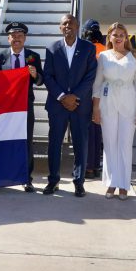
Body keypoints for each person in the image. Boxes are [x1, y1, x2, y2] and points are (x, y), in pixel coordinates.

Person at [43, 14, 97, 197]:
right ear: (60, 28)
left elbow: (90, 76)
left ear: (77, 26)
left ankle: (79, 182)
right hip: (57, 106)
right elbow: (47, 76)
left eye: (71, 23)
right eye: (64, 23)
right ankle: (53, 181)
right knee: (54, 144)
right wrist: (62, 97)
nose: (68, 26)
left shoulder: (88, 48)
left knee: (81, 145)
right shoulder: (51, 48)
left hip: (79, 106)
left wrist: (75, 97)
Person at [91, 23, 136, 200]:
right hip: (107, 104)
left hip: (128, 105)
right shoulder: (103, 57)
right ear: (110, 37)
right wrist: (95, 109)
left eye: (122, 34)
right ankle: (111, 183)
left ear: (126, 37)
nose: (119, 37)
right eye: (115, 34)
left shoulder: (134, 56)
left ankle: (124, 184)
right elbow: (97, 84)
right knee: (109, 145)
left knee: (124, 144)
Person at [0, 22, 44, 192]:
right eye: (13, 36)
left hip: (25, 106)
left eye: (20, 36)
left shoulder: (33, 57)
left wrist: (35, 74)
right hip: (5, 107)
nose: (17, 39)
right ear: (8, 39)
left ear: (25, 38)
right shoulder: (0, 57)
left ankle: (26, 179)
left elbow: (40, 81)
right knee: (1, 141)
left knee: (26, 141)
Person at [83, 19, 106, 179]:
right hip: (104, 96)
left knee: (88, 132)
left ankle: (89, 167)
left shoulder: (85, 49)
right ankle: (96, 165)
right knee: (98, 131)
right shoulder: (105, 50)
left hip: (87, 95)